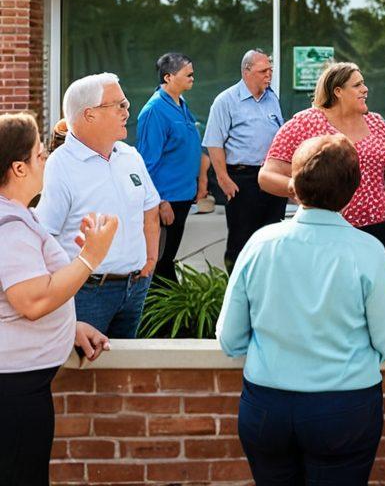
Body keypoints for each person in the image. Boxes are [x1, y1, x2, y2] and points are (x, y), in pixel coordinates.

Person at [218, 134, 385, 485]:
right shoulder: (367, 251)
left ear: (295, 184)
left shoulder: (259, 245)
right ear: (353, 190)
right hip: (342, 411)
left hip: (267, 408)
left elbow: (230, 340)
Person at [0, 113, 114, 486]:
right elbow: (31, 302)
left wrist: (70, 326)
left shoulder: (18, 216)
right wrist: (90, 258)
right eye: (39, 153)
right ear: (19, 167)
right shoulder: (9, 228)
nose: (47, 158)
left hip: (21, 386)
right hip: (14, 391)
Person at [36, 73, 162, 338]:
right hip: (87, 292)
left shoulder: (130, 156)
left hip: (135, 287)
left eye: (125, 103)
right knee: (84, 373)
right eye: (118, 105)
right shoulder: (59, 165)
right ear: (89, 114)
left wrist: (150, 261)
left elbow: (150, 209)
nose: (127, 111)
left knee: (122, 372)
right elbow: (45, 235)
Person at [260, 63, 385, 255]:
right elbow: (267, 176)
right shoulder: (306, 123)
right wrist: (299, 187)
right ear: (338, 91)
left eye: (364, 84)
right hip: (325, 227)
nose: (365, 89)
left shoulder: (375, 122)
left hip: (379, 224)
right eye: (357, 85)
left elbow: (381, 161)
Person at [203, 49, 288, 272]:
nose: (268, 74)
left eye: (270, 70)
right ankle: (237, 291)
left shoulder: (272, 99)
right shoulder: (226, 101)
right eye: (263, 71)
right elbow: (214, 143)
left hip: (271, 176)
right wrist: (223, 178)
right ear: (247, 72)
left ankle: (267, 286)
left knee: (272, 236)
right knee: (241, 240)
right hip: (242, 179)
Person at [136, 52, 209, 284]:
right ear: (168, 77)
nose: (192, 77)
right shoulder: (154, 111)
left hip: (184, 195)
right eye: (187, 73)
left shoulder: (181, 104)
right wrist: (159, 202)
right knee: (160, 262)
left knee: (168, 258)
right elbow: (146, 163)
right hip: (167, 200)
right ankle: (156, 318)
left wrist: (199, 183)